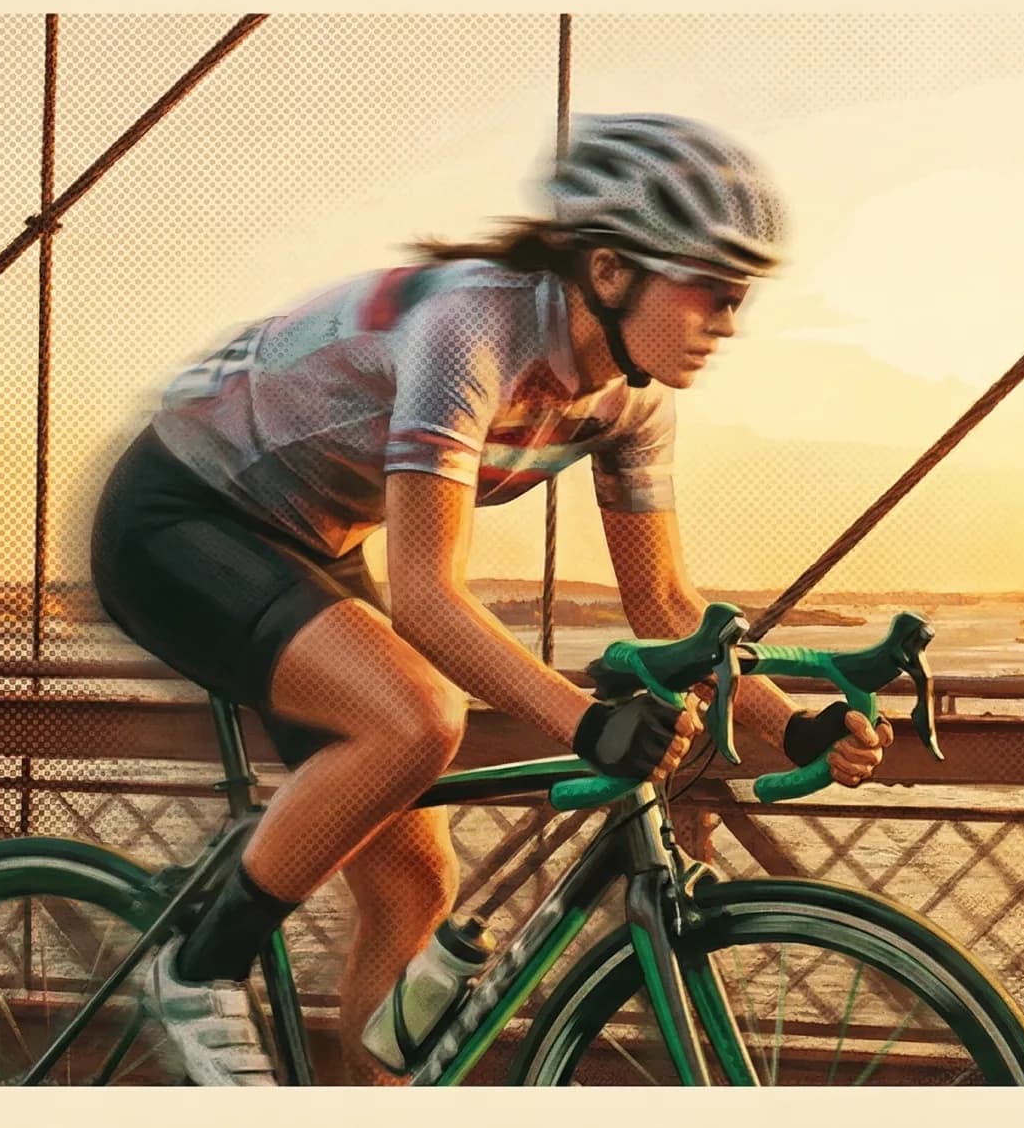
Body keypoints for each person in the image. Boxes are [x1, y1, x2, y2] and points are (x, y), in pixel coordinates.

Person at [89, 113, 891, 1086]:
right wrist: (586, 720)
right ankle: (195, 971)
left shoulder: (633, 402)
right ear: (609, 271)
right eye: (712, 289)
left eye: (742, 297)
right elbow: (428, 600)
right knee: (418, 716)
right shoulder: (470, 331)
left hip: (311, 544)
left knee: (415, 880)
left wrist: (791, 725)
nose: (728, 320)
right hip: (179, 514)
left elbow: (663, 601)